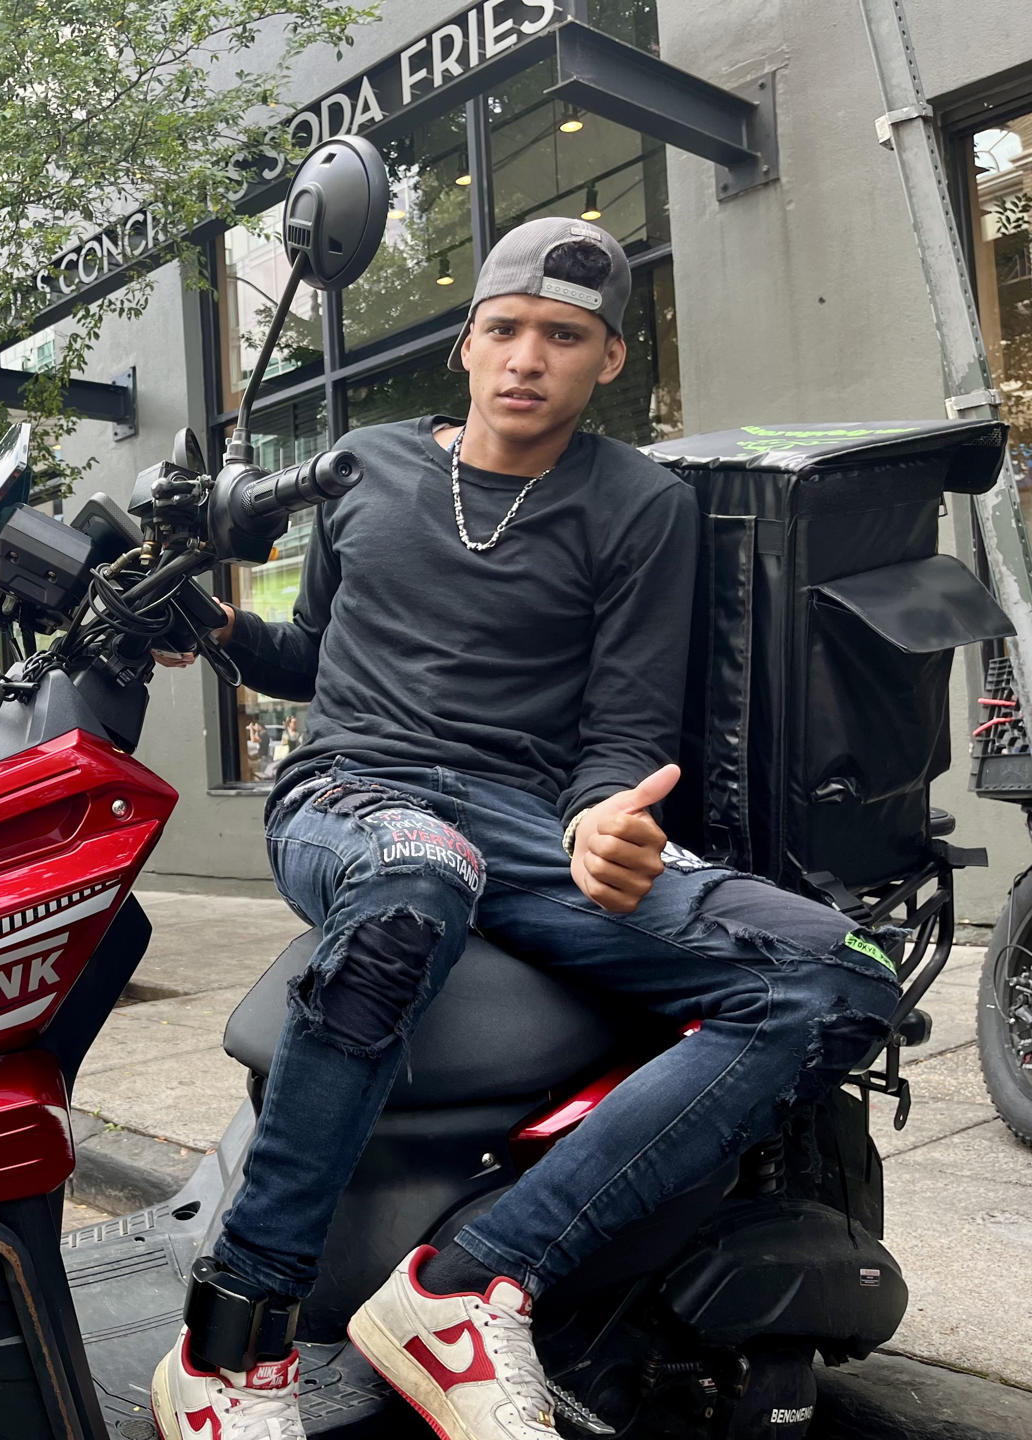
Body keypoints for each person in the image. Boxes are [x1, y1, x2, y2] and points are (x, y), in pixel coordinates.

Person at [150, 219, 901, 1440]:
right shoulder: (365, 466)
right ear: (466, 342)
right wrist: (229, 632)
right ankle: (231, 1342)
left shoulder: (639, 504)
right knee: (415, 875)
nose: (527, 358)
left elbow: (621, 729)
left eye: (565, 336)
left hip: (521, 818)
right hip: (352, 794)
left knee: (838, 976)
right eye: (506, 329)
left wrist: (604, 817)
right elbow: (317, 658)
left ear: (608, 360)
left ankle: (465, 1286)